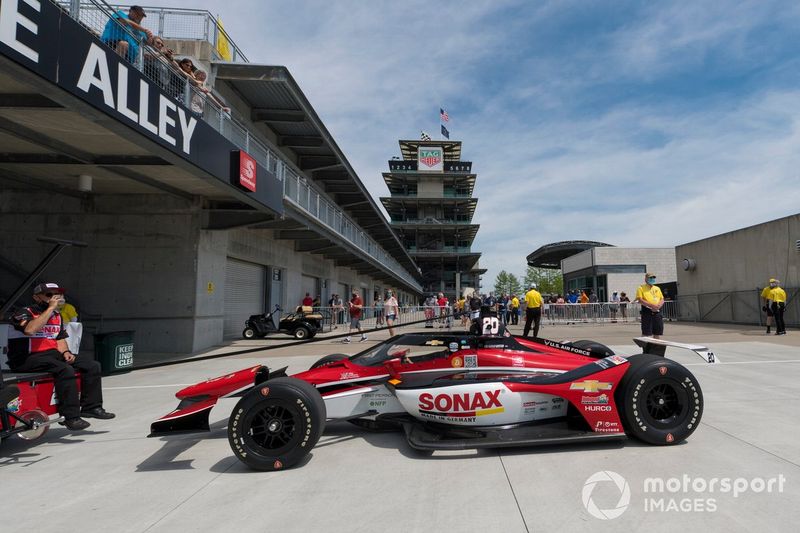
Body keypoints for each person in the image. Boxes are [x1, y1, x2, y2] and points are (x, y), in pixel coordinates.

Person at [7, 283, 115, 430]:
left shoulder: (56, 316)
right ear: (36, 297)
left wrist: (66, 352)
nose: (55, 298)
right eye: (49, 295)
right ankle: (70, 417)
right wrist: (51, 308)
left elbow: (59, 339)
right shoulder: (23, 312)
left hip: (51, 356)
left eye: (57, 294)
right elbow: (30, 330)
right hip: (27, 357)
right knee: (65, 370)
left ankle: (91, 407)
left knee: (92, 365)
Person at [635, 273, 664, 338]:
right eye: (650, 278)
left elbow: (662, 299)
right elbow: (640, 299)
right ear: (646, 279)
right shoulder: (641, 288)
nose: (652, 279)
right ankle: (645, 347)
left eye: (653, 278)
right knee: (646, 332)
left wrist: (659, 305)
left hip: (657, 312)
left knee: (657, 332)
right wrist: (652, 306)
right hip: (647, 311)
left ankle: (656, 347)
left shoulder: (657, 288)